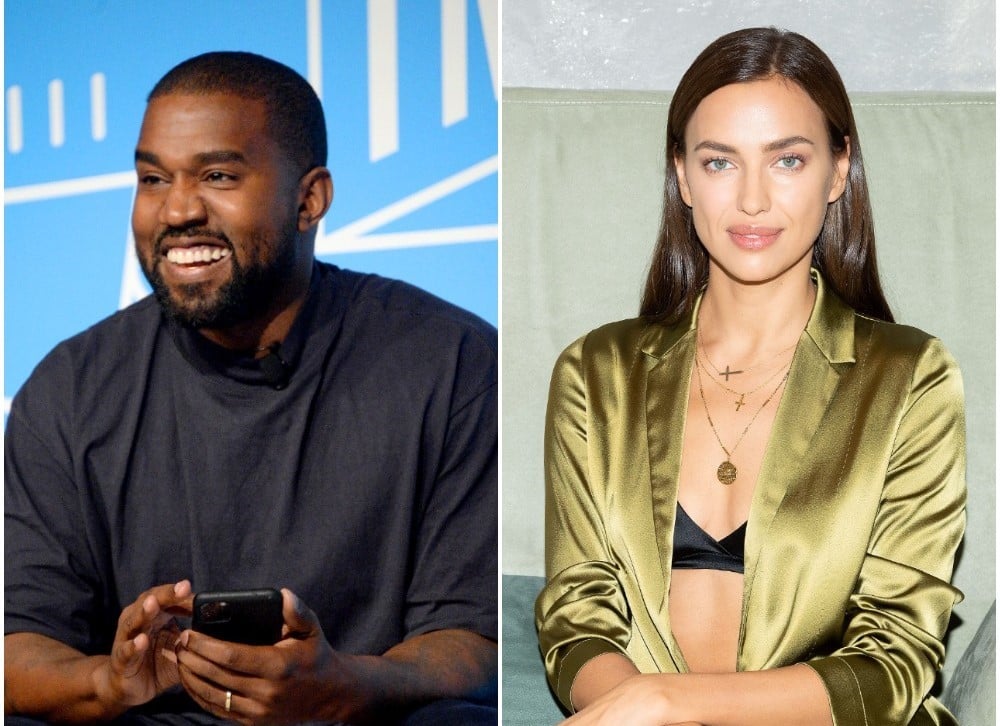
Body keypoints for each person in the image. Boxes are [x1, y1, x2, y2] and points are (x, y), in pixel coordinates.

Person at [4, 51, 497, 724]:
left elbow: (471, 640)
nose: (176, 209)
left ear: (309, 198)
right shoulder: (70, 388)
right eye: (152, 177)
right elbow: (16, 644)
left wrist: (343, 684)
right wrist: (109, 682)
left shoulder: (453, 363)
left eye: (217, 174)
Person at [534, 27, 965, 726]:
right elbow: (578, 620)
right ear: (681, 174)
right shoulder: (596, 373)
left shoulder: (909, 378)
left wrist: (668, 700)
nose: (754, 200)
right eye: (720, 162)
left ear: (836, 171)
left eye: (788, 160)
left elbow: (895, 660)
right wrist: (638, 708)